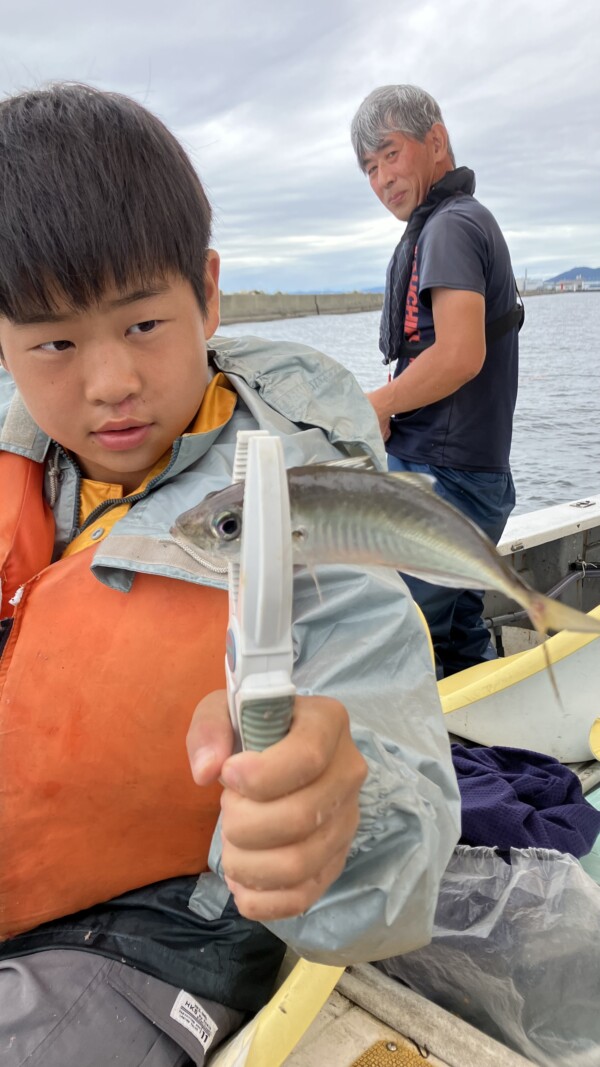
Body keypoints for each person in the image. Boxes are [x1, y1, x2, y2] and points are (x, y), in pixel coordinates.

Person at [0, 83, 460, 1067]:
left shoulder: (294, 491)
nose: (110, 381)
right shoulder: (19, 465)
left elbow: (388, 749)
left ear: (206, 292)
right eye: (52, 341)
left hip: (169, 932)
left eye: (142, 325)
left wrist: (340, 814)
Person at [350, 84, 522, 678]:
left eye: (390, 155)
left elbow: (458, 355)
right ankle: (490, 751)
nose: (381, 179)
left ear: (437, 141)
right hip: (474, 479)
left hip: (444, 482)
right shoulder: (454, 222)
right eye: (369, 169)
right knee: (455, 633)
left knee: (383, 631)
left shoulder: (449, 227)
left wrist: (381, 401)